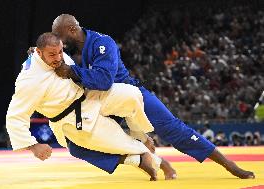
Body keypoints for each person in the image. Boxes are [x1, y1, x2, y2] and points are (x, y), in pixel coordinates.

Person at [50, 14, 255, 179]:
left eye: (59, 36)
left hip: (131, 95)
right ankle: (148, 160)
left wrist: (72, 72)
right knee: (76, 145)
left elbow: (103, 80)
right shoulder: (77, 52)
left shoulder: (103, 43)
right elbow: (61, 64)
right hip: (104, 103)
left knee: (174, 129)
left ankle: (230, 166)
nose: (58, 42)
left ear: (72, 29)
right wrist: (40, 55)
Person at [6, 32, 175, 181]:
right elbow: (15, 116)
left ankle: (141, 136)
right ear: (39, 52)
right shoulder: (29, 80)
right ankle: (157, 161)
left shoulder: (50, 53)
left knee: (132, 94)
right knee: (122, 143)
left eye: (60, 52)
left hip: (89, 96)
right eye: (52, 55)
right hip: (73, 120)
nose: (58, 58)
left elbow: (49, 49)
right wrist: (33, 146)